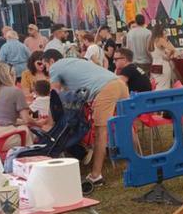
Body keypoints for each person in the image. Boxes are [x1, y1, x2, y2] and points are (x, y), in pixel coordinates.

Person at [43, 49, 129, 186]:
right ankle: (136, 162)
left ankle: (96, 176)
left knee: (101, 132)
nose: (47, 70)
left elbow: (55, 97)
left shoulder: (55, 67)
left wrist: (49, 121)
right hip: (119, 83)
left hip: (105, 89)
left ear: (51, 61)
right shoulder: (73, 62)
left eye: (45, 65)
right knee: (127, 125)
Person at [0, 63, 39, 148]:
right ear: (11, 75)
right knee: (32, 133)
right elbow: (26, 119)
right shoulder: (16, 91)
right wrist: (39, 123)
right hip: (7, 136)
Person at [148, 23, 175, 90]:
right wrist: (168, 57)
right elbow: (172, 49)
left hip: (154, 64)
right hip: (163, 64)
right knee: (164, 85)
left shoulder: (151, 40)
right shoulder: (160, 40)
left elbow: (149, 52)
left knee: (157, 84)